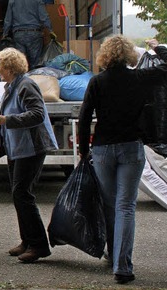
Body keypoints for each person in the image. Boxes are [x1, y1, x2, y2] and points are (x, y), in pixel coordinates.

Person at [78, 36, 167, 284]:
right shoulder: (140, 78)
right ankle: (122, 266)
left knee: (110, 204)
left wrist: (84, 149)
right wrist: (157, 47)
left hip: (103, 149)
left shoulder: (97, 82)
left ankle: (112, 254)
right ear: (129, 54)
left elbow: (85, 116)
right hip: (131, 148)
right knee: (126, 206)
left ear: (105, 55)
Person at [0, 48, 58, 263]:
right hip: (17, 149)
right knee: (19, 194)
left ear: (9, 68)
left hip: (32, 148)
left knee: (23, 194)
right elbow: (4, 117)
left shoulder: (26, 85)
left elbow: (37, 114)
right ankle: (27, 241)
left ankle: (39, 246)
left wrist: (7, 121)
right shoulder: (11, 87)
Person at [3, 0, 54, 68]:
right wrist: (51, 30)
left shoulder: (12, 1)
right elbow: (44, 17)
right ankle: (34, 76)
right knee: (35, 63)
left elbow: (8, 20)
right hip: (34, 33)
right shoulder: (38, 1)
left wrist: (5, 33)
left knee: (20, 62)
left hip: (18, 34)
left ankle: (22, 77)